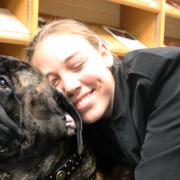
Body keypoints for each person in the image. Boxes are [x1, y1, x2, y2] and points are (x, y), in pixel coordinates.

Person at [26, 19, 180, 180]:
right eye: (53, 83)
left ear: (105, 55)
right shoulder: (74, 121)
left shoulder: (167, 74)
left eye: (77, 65)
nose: (70, 86)